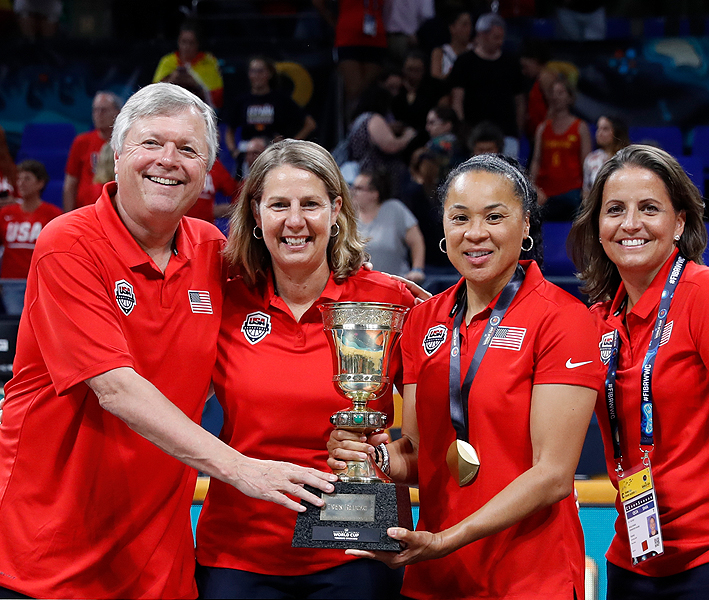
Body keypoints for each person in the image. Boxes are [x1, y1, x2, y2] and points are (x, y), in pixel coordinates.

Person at [0, 83, 336, 599]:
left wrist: (419, 303)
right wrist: (240, 469)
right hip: (47, 556)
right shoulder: (66, 244)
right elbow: (114, 388)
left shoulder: (214, 252)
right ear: (116, 155)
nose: (168, 160)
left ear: (205, 172)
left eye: (188, 149)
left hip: (159, 564)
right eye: (151, 143)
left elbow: (301, 286)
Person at [329, 154, 602, 599]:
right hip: (436, 580)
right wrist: (372, 459)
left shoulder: (564, 320)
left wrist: (445, 541)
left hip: (531, 578)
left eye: (495, 216)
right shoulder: (422, 321)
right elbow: (419, 456)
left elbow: (552, 475)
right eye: (460, 218)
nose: (475, 233)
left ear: (527, 224)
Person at [569, 144, 709, 599]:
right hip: (636, 558)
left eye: (649, 208)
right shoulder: (596, 320)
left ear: (679, 223)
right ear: (597, 227)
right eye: (615, 209)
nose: (630, 223)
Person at [194, 139, 414, 600]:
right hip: (240, 551)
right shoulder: (222, 297)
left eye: (310, 204)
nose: (295, 221)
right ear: (257, 214)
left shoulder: (391, 300)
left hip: (359, 552)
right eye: (279, 205)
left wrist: (384, 456)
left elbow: (435, 428)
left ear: (336, 210)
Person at [449, 13, 526, 157]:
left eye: (502, 37)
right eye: (496, 37)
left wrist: (518, 130)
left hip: (506, 133)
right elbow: (457, 100)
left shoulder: (511, 63)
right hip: (474, 134)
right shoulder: (464, 62)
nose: (500, 42)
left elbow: (520, 101)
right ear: (481, 35)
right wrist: (462, 129)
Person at [224, 55, 316, 165]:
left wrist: (290, 145)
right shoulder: (241, 101)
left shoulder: (281, 100)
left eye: (260, 71)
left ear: (269, 74)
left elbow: (310, 124)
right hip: (248, 155)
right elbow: (229, 130)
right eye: (253, 71)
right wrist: (234, 151)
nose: (256, 75)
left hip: (274, 154)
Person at [0, 160, 62, 314]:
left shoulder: (53, 214)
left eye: (27, 179)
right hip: (11, 282)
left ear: (40, 183)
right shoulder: (6, 213)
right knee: (17, 323)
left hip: (40, 281)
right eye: (19, 179)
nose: (21, 183)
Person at [529, 77, 591, 221]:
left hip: (573, 191)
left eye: (561, 93)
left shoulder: (580, 127)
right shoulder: (543, 128)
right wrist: (533, 187)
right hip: (545, 193)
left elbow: (586, 162)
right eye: (553, 93)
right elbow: (536, 160)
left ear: (570, 98)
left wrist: (587, 190)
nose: (556, 97)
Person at [352, 167, 426, 283]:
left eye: (359, 188)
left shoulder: (395, 209)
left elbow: (416, 241)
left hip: (395, 284)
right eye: (352, 187)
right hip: (359, 286)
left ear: (374, 193)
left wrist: (417, 269)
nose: (353, 192)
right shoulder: (348, 214)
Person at [63, 90, 122, 211]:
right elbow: (70, 184)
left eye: (103, 110)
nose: (98, 114)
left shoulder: (125, 142)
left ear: (118, 113)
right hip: (86, 209)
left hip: (115, 209)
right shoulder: (81, 141)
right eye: (95, 110)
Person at [153, 21, 224, 109]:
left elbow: (217, 101)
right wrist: (171, 80)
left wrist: (196, 84)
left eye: (191, 43)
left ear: (198, 44)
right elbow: (153, 95)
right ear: (178, 42)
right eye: (183, 42)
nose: (186, 47)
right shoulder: (167, 61)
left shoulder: (209, 61)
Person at [583, 115, 629, 197]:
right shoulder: (591, 159)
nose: (599, 133)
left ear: (617, 131)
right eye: (598, 128)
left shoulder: (628, 157)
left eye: (605, 129)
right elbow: (586, 191)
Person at [430, 11, 472, 80]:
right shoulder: (440, 52)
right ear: (452, 28)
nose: (469, 29)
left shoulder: (476, 50)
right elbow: (435, 79)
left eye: (470, 25)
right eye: (464, 25)